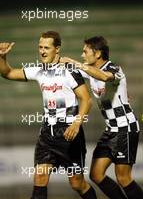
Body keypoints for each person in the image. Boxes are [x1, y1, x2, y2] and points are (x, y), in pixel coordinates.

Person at [0, 31, 97, 199]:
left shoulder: (69, 70)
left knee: (77, 184)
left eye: (46, 48)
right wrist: (2, 57)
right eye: (40, 47)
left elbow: (87, 100)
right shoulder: (38, 71)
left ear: (57, 49)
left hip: (69, 134)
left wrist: (76, 124)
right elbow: (7, 73)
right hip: (47, 134)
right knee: (40, 177)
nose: (42, 51)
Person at [60, 36, 143, 199]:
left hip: (125, 128)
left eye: (85, 51)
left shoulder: (114, 68)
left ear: (97, 54)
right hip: (111, 130)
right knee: (96, 175)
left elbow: (104, 77)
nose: (82, 55)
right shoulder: (90, 72)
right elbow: (81, 74)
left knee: (123, 178)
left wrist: (75, 62)